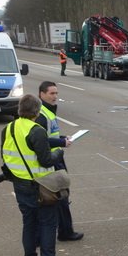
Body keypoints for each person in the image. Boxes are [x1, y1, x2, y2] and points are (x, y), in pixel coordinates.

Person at [0, 94, 71, 256]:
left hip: (20, 184)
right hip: (40, 185)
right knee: (48, 224)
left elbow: (6, 155)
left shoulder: (9, 128)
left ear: (19, 110)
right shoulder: (36, 130)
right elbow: (46, 160)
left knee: (29, 224)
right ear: (37, 111)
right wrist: (59, 153)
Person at [35, 81, 83, 242]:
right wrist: (61, 143)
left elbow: (51, 135)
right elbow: (41, 140)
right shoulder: (41, 115)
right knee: (59, 196)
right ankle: (64, 232)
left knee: (61, 196)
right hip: (51, 161)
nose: (55, 97)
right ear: (41, 94)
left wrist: (62, 138)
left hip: (56, 158)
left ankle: (64, 230)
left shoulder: (48, 111)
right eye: (52, 93)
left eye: (56, 93)